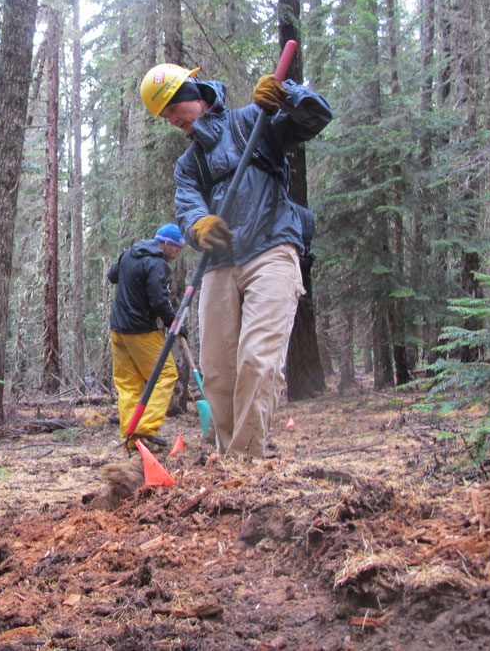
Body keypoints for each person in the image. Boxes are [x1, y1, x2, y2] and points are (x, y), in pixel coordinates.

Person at [139, 62, 332, 459]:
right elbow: (187, 208)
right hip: (221, 264)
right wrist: (198, 225)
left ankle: (245, 462)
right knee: (217, 371)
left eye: (172, 110)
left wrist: (288, 95)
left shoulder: (253, 121)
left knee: (258, 360)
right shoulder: (188, 165)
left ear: (190, 95)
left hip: (273, 247)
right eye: (164, 117)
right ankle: (227, 456)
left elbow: (316, 116)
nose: (171, 120)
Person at [107, 223, 187, 448]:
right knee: (167, 374)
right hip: (140, 331)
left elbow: (112, 275)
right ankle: (144, 427)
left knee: (129, 385)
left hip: (118, 330)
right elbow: (159, 301)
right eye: (176, 248)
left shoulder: (130, 254)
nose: (176, 254)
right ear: (165, 244)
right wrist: (176, 324)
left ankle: (133, 441)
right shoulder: (157, 264)